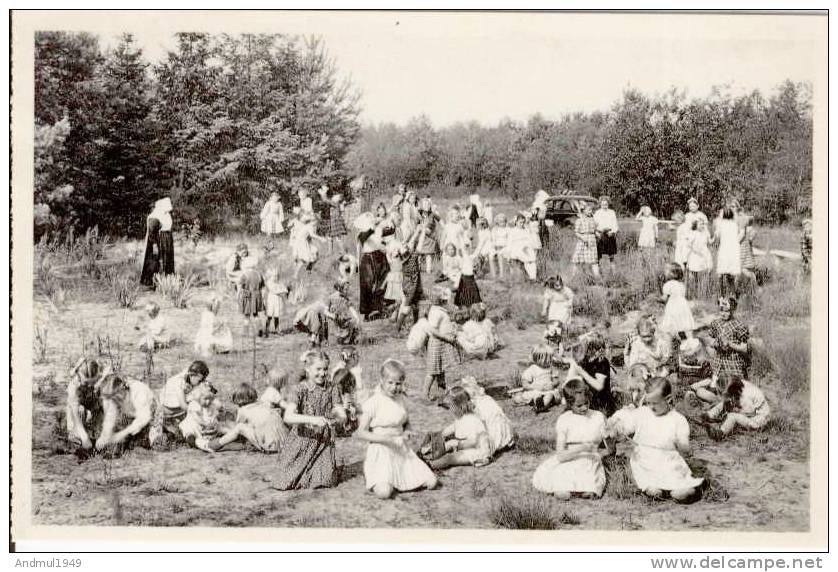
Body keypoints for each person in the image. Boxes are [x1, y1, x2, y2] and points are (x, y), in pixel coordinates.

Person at [608, 378, 703, 502]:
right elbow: (626, 426)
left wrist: (682, 445)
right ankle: (654, 488)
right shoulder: (642, 413)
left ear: (668, 400)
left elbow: (684, 445)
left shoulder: (678, 419)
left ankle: (680, 490)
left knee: (677, 476)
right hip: (645, 459)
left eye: (655, 403)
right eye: (648, 403)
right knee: (648, 480)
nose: (651, 407)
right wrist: (617, 429)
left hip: (669, 460)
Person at [356, 359, 439, 499]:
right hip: (381, 450)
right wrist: (387, 439)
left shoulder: (400, 399)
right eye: (390, 383)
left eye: (398, 384)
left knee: (432, 482)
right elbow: (361, 433)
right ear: (382, 380)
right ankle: (379, 476)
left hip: (401, 450)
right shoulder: (373, 402)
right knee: (384, 493)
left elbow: (406, 422)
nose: (394, 388)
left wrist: (407, 431)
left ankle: (399, 478)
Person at [272, 351, 345, 490]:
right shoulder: (299, 390)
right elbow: (288, 416)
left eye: (325, 369)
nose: (322, 373)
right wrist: (313, 419)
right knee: (284, 482)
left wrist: (337, 418)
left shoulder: (332, 388)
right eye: (318, 369)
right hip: (301, 440)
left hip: (323, 442)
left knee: (324, 481)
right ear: (307, 369)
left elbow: (341, 414)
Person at [532, 379, 611, 499]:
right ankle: (567, 487)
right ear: (570, 404)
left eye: (586, 403)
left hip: (590, 459)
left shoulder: (598, 417)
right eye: (579, 406)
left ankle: (582, 488)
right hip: (570, 458)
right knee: (562, 489)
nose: (584, 408)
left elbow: (610, 449)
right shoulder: (565, 419)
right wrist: (582, 447)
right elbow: (561, 455)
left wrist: (605, 447)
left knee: (589, 491)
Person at [208, 383, 288, 453]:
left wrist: (222, 429)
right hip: (284, 442)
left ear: (237, 399)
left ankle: (218, 444)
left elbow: (236, 430)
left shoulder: (243, 410)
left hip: (271, 446)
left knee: (240, 427)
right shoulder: (263, 404)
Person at [427, 387, 493, 470]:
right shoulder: (461, 417)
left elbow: (473, 442)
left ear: (461, 406)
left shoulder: (472, 420)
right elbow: (454, 427)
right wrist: (441, 434)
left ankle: (430, 466)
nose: (449, 409)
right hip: (471, 447)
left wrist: (458, 444)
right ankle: (430, 455)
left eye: (451, 406)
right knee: (446, 445)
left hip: (479, 452)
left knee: (450, 457)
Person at [95, 374, 156, 452]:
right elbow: (110, 417)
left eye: (114, 398)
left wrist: (121, 435)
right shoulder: (114, 398)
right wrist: (104, 436)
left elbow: (143, 419)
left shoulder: (139, 391)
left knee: (141, 448)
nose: (112, 401)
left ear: (121, 391)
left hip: (150, 418)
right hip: (131, 416)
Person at [64, 357, 110, 453]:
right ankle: (76, 436)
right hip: (77, 408)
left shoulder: (99, 373)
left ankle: (94, 431)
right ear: (80, 378)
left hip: (91, 399)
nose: (89, 386)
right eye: (86, 383)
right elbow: (75, 416)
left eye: (92, 382)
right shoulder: (74, 388)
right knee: (80, 440)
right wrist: (84, 438)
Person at [423, 287, 461, 402]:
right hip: (437, 343)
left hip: (441, 344)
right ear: (440, 300)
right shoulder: (436, 312)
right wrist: (446, 337)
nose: (446, 302)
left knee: (441, 368)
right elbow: (432, 330)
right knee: (432, 371)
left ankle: (442, 390)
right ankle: (425, 393)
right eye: (445, 300)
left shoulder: (439, 310)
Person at [703, 375, 770, 441]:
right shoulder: (740, 386)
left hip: (758, 420)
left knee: (732, 416)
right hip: (752, 411)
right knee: (725, 402)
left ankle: (720, 433)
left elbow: (750, 413)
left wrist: (735, 411)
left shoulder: (746, 396)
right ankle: (708, 416)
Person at [459, 377, 514, 453]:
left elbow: (482, 425)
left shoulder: (477, 406)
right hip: (507, 437)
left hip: (495, 440)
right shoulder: (487, 398)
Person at [356, 212, 390, 320]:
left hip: (380, 257)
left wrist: (390, 223)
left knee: (383, 282)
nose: (371, 220)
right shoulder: (362, 233)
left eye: (371, 219)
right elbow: (363, 238)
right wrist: (371, 229)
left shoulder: (378, 230)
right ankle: (367, 312)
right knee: (367, 285)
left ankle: (378, 307)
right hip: (368, 259)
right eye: (368, 219)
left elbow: (389, 231)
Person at [705, 296, 750, 379]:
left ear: (732, 310)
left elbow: (744, 348)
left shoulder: (739, 326)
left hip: (733, 362)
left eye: (727, 311)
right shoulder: (716, 323)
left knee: (732, 387)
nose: (723, 314)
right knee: (714, 385)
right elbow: (709, 339)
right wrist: (714, 343)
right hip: (718, 362)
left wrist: (730, 344)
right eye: (721, 310)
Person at [511, 344, 560, 413]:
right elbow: (525, 384)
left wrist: (553, 384)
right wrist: (533, 387)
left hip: (548, 391)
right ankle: (537, 401)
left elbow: (556, 380)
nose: (549, 360)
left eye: (550, 358)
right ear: (537, 358)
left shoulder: (551, 368)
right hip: (537, 391)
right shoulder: (532, 369)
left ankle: (541, 406)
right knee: (531, 396)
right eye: (547, 358)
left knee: (550, 396)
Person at [140, 197, 175, 288]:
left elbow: (168, 227)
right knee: (155, 260)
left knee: (167, 259)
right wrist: (155, 245)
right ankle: (152, 282)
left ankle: (167, 280)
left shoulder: (166, 215)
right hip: (158, 240)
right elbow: (152, 233)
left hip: (166, 240)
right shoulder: (154, 216)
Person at [179, 384, 224, 452]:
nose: (208, 401)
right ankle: (194, 441)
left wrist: (213, 423)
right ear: (199, 397)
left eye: (210, 399)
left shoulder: (211, 406)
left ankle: (204, 442)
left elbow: (214, 416)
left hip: (204, 428)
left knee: (216, 429)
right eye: (205, 399)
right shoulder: (194, 405)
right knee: (189, 432)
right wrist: (205, 424)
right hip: (194, 425)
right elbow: (196, 418)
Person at [659, 263, 696, 340]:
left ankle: (671, 340)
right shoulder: (681, 285)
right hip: (683, 306)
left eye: (666, 271)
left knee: (671, 323)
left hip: (673, 306)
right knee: (683, 321)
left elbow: (664, 298)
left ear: (672, 274)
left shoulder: (668, 285)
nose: (664, 272)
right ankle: (689, 340)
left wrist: (658, 299)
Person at [714, 207, 742, 298]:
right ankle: (732, 293)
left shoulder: (721, 224)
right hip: (733, 250)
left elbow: (717, 236)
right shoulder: (734, 224)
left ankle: (721, 295)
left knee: (721, 273)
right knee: (730, 273)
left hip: (725, 249)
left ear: (724, 215)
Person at [290, 212, 327, 280]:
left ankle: (309, 269)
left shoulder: (309, 226)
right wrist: (321, 239)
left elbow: (309, 236)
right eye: (317, 221)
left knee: (315, 252)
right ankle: (295, 275)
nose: (317, 223)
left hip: (304, 242)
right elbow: (312, 235)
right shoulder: (309, 226)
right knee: (304, 259)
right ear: (314, 221)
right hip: (301, 243)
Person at [571, 204, 601, 280]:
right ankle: (573, 277)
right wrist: (582, 237)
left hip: (591, 241)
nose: (590, 212)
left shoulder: (592, 220)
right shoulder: (579, 220)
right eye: (588, 210)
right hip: (582, 240)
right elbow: (576, 232)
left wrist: (597, 234)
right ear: (583, 211)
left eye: (591, 210)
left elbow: (594, 230)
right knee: (578, 260)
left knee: (593, 260)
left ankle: (597, 277)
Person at [685, 219, 713, 297]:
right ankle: (693, 293)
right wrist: (696, 250)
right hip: (695, 255)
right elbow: (688, 244)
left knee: (704, 273)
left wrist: (715, 237)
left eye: (703, 224)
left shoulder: (705, 233)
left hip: (704, 255)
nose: (702, 225)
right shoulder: (693, 233)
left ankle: (702, 293)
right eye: (700, 224)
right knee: (693, 274)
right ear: (695, 225)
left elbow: (710, 242)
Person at [327, 279, 360, 345]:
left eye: (347, 289)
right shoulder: (331, 298)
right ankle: (339, 339)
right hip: (334, 322)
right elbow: (326, 311)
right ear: (340, 288)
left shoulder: (345, 298)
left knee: (353, 322)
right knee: (336, 340)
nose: (347, 291)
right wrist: (332, 316)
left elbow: (351, 308)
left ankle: (348, 339)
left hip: (343, 321)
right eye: (345, 289)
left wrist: (357, 317)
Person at [453, 239, 481, 308]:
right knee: (461, 292)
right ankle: (459, 306)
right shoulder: (462, 257)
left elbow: (478, 249)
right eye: (466, 248)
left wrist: (483, 241)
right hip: (464, 277)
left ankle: (473, 305)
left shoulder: (472, 256)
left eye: (469, 248)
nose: (467, 250)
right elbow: (461, 247)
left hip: (471, 278)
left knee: (473, 292)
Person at [263, 267, 289, 337]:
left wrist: (283, 290)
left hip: (278, 300)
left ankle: (277, 329)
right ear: (271, 276)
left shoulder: (278, 282)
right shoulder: (269, 282)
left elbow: (285, 289)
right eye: (274, 276)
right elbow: (274, 290)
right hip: (271, 300)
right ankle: (266, 330)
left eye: (277, 276)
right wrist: (282, 291)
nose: (276, 277)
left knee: (277, 316)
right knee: (269, 316)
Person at [593, 196, 619, 267]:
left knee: (611, 256)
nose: (604, 206)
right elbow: (593, 225)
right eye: (603, 204)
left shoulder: (612, 212)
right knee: (598, 256)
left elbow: (615, 225)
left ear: (608, 204)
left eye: (606, 204)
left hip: (609, 234)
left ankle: (613, 275)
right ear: (600, 204)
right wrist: (596, 233)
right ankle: (599, 273)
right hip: (600, 235)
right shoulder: (597, 213)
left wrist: (613, 232)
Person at [738, 214, 758, 288]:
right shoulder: (745, 230)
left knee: (744, 268)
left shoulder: (748, 230)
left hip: (745, 251)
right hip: (744, 251)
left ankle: (754, 284)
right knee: (744, 269)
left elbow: (750, 239)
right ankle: (749, 286)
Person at [490, 213, 509, 279]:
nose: (502, 223)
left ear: (505, 222)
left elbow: (509, 241)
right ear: (497, 222)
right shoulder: (494, 229)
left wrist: (503, 247)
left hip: (505, 247)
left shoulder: (507, 229)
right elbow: (493, 240)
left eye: (503, 221)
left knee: (500, 255)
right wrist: (494, 247)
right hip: (496, 247)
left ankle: (502, 274)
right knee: (491, 256)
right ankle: (494, 275)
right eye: (500, 221)